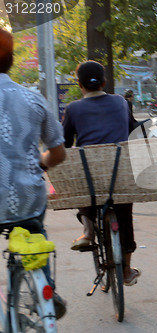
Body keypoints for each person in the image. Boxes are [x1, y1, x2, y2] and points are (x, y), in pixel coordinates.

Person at [0, 28, 67, 318]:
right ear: (11, 60)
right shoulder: (32, 99)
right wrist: (40, 163)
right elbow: (58, 153)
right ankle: (45, 287)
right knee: (34, 234)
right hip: (27, 197)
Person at [62, 60, 141, 286]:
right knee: (124, 216)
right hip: (121, 173)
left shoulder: (73, 109)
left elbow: (65, 144)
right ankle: (126, 271)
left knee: (84, 182)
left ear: (80, 85)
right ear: (105, 82)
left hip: (91, 177)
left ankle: (88, 231)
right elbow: (132, 128)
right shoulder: (120, 102)